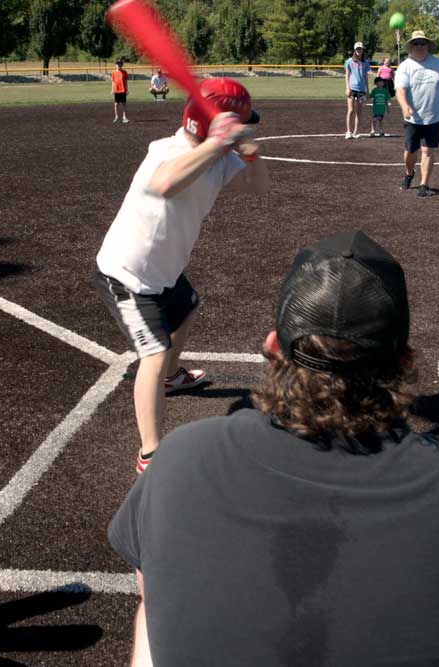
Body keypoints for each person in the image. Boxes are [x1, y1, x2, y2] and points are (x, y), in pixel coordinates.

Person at [109, 229, 439, 666]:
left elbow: (153, 587)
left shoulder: (181, 455)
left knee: (152, 616)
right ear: (404, 361)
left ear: (273, 347)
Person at [94, 78, 270, 474]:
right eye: (239, 125)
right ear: (211, 129)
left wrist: (251, 154)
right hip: (128, 274)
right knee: (152, 354)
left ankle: (173, 378)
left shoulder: (220, 158)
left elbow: (258, 190)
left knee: (187, 311)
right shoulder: (166, 151)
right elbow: (165, 183)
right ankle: (149, 452)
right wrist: (215, 142)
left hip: (165, 271)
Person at [395, 30, 439, 198]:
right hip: (413, 118)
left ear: (428, 45)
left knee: (427, 151)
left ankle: (424, 185)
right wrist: (404, 106)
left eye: (423, 43)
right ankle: (409, 173)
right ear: (411, 46)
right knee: (411, 151)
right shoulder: (405, 66)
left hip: (434, 117)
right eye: (416, 43)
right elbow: (400, 90)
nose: (420, 46)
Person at [344, 41, 371, 139]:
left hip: (361, 90)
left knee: (359, 112)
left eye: (361, 49)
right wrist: (347, 88)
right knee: (350, 110)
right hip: (352, 89)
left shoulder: (365, 63)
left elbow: (365, 77)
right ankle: (348, 131)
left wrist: (367, 90)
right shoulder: (349, 61)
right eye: (357, 49)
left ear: (363, 50)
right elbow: (347, 75)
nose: (359, 50)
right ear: (355, 50)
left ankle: (355, 131)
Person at [112, 58, 130, 123]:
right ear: (116, 65)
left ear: (122, 65)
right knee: (116, 104)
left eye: (120, 64)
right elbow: (113, 81)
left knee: (124, 104)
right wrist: (112, 89)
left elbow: (126, 81)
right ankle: (116, 116)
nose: (119, 65)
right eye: (118, 64)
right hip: (116, 90)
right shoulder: (113, 72)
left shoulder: (124, 72)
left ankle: (124, 117)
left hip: (123, 90)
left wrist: (127, 89)